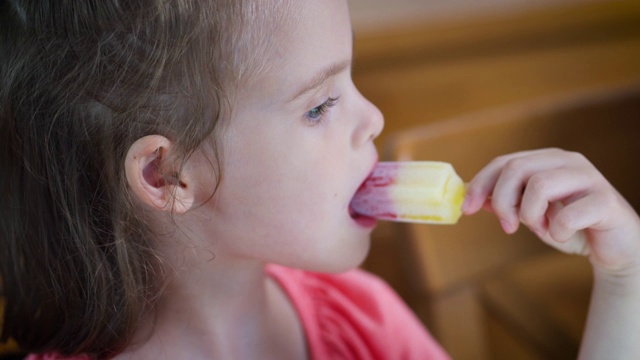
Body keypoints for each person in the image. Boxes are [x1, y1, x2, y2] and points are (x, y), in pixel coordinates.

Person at [0, 0, 638, 359]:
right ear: (168, 175)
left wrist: (625, 281)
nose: (373, 118)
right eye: (319, 105)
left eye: (350, 83)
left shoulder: (363, 323)